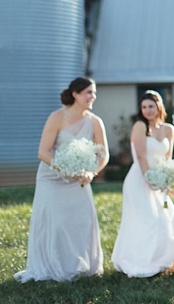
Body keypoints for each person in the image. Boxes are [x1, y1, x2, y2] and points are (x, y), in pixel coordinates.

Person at [14, 77, 109, 282]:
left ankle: (79, 264)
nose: (92, 97)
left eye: (94, 93)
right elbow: (43, 152)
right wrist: (65, 169)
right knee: (56, 223)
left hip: (80, 179)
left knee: (81, 222)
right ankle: (53, 265)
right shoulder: (56, 117)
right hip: (52, 177)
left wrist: (91, 173)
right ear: (75, 94)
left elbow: (104, 155)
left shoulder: (95, 122)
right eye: (88, 93)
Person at [111, 90, 174, 278]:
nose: (147, 110)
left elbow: (168, 159)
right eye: (143, 107)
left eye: (151, 106)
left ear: (159, 106)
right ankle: (139, 260)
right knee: (146, 219)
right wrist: (150, 180)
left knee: (165, 219)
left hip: (159, 178)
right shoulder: (140, 126)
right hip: (139, 179)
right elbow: (142, 157)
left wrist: (166, 180)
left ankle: (161, 260)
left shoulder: (168, 129)